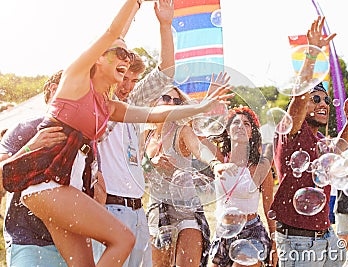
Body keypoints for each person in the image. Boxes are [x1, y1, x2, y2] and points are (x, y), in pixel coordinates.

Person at [0, 0, 231, 266]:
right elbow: (112, 32)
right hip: (50, 182)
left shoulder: (109, 106)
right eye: (120, 53)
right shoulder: (75, 80)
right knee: (122, 239)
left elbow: (155, 114)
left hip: (70, 186)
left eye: (129, 57)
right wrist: (135, 3)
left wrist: (200, 106)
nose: (127, 59)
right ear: (98, 55)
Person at [92, 0, 175, 266]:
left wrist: (165, 25)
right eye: (123, 77)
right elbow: (110, 39)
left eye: (133, 81)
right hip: (108, 209)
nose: (127, 86)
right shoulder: (99, 103)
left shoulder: (134, 104)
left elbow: (166, 73)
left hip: (138, 209)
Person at [270, 16, 348, 266]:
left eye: (326, 101)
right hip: (298, 239)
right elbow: (298, 98)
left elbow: (338, 152)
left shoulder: (320, 139)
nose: (323, 104)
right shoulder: (290, 131)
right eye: (316, 99)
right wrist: (313, 54)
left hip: (326, 235)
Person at [145, 83, 231, 267]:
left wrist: (215, 164)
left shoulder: (182, 130)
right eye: (166, 98)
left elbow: (199, 149)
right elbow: (135, 166)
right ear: (154, 101)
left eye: (176, 101)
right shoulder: (146, 135)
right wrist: (150, 163)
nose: (171, 103)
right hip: (157, 209)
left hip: (186, 210)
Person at [0, 71, 70, 266]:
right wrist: (31, 147)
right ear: (55, 90)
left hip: (70, 243)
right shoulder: (23, 129)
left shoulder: (82, 134)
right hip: (27, 241)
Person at [207, 106, 273, 267]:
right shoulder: (219, 159)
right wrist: (210, 105)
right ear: (228, 131)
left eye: (246, 124)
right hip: (223, 232)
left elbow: (269, 207)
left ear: (252, 133)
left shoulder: (260, 165)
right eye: (235, 122)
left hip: (252, 232)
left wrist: (276, 242)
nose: (241, 126)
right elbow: (199, 137)